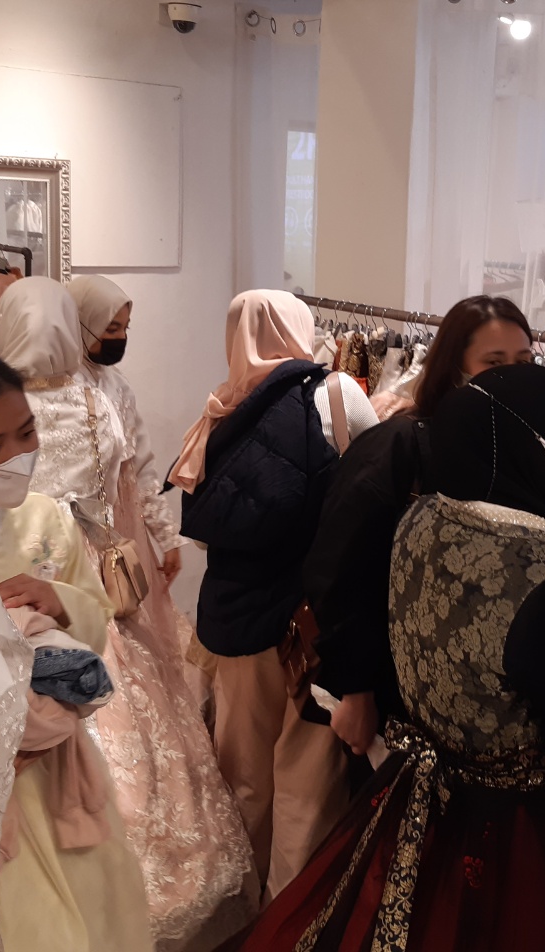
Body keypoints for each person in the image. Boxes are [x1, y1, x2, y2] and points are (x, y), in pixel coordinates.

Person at [235, 363, 545, 952]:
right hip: (515, 829)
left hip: (416, 794)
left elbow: (500, 564)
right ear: (537, 454)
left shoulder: (424, 518)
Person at [308, 295, 545, 759]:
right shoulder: (404, 444)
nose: (514, 376)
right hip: (398, 681)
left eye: (524, 361)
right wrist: (355, 689)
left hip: (469, 701)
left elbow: (526, 550)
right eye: (494, 363)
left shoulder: (512, 456)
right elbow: (341, 564)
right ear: (454, 369)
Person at [0, 344, 153, 952]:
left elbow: (95, 630)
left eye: (26, 433)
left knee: (69, 922)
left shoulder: (45, 520)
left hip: (48, 764)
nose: (17, 457)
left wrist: (61, 601)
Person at [43, 274, 260, 949]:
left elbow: (137, 473)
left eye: (126, 326)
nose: (120, 337)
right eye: (111, 326)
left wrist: (162, 541)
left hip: (107, 552)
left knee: (138, 683)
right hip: (56, 557)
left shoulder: (114, 392)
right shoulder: (29, 398)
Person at [168, 289, 377, 902]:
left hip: (237, 625)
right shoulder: (338, 395)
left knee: (242, 781)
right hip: (313, 624)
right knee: (308, 785)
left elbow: (204, 532)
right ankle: (289, 922)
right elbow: (371, 497)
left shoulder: (220, 411)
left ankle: (237, 911)